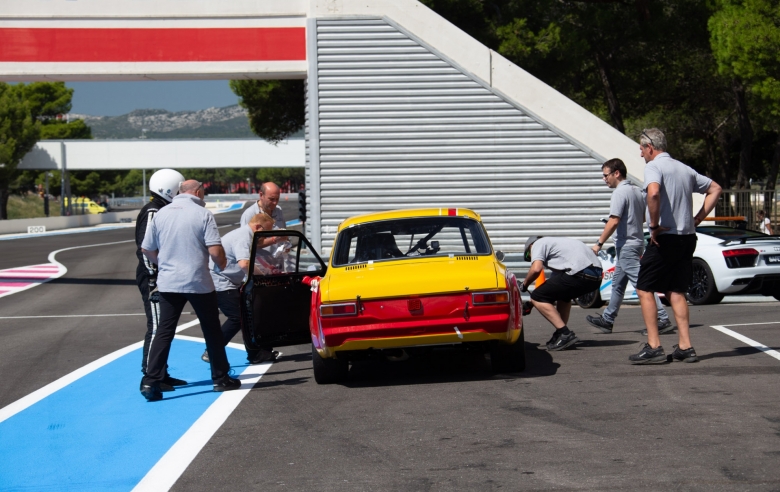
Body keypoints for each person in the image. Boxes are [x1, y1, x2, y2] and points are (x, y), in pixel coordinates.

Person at [140, 180, 241, 401]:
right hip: (197, 281)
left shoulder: (162, 214)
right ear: (197, 192)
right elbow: (215, 250)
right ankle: (221, 378)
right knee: (211, 330)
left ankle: (151, 380)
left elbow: (146, 248)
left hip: (169, 281)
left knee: (164, 331)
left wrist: (163, 263)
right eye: (203, 193)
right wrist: (223, 264)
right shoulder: (202, 214)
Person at [631, 128, 722, 364]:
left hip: (666, 236)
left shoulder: (654, 166)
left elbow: (653, 193)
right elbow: (716, 189)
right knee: (676, 291)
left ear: (650, 147)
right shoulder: (684, 168)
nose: (641, 155)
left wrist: (653, 225)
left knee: (644, 288)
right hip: (687, 237)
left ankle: (654, 346)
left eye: (641, 149)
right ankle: (685, 346)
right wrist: (698, 219)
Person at [586, 159, 672, 334]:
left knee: (643, 284)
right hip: (636, 242)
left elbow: (614, 220)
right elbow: (643, 217)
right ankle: (607, 319)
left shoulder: (620, 193)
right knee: (618, 284)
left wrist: (598, 243)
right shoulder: (637, 191)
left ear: (616, 173)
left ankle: (662, 318)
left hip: (627, 246)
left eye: (605, 175)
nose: (604, 179)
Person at [201, 213, 279, 364]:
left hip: (228, 281)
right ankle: (211, 351)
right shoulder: (244, 237)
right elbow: (244, 264)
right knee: (238, 317)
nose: (266, 237)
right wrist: (261, 278)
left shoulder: (247, 236)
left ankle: (255, 354)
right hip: (221, 282)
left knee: (246, 316)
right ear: (257, 227)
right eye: (265, 233)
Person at [134, 168, 187, 392]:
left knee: (164, 327)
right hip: (153, 280)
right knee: (157, 327)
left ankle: (161, 372)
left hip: (160, 277)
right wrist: (154, 281)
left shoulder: (158, 209)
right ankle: (151, 375)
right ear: (170, 190)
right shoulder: (154, 212)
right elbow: (146, 250)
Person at [521, 236, 603, 351]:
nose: (531, 258)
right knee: (563, 295)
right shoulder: (561, 247)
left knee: (537, 296)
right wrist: (531, 304)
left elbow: (536, 269)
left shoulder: (538, 243)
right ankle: (560, 333)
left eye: (528, 256)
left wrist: (524, 285)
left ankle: (565, 333)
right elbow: (554, 288)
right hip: (596, 277)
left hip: (580, 272)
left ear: (530, 246)